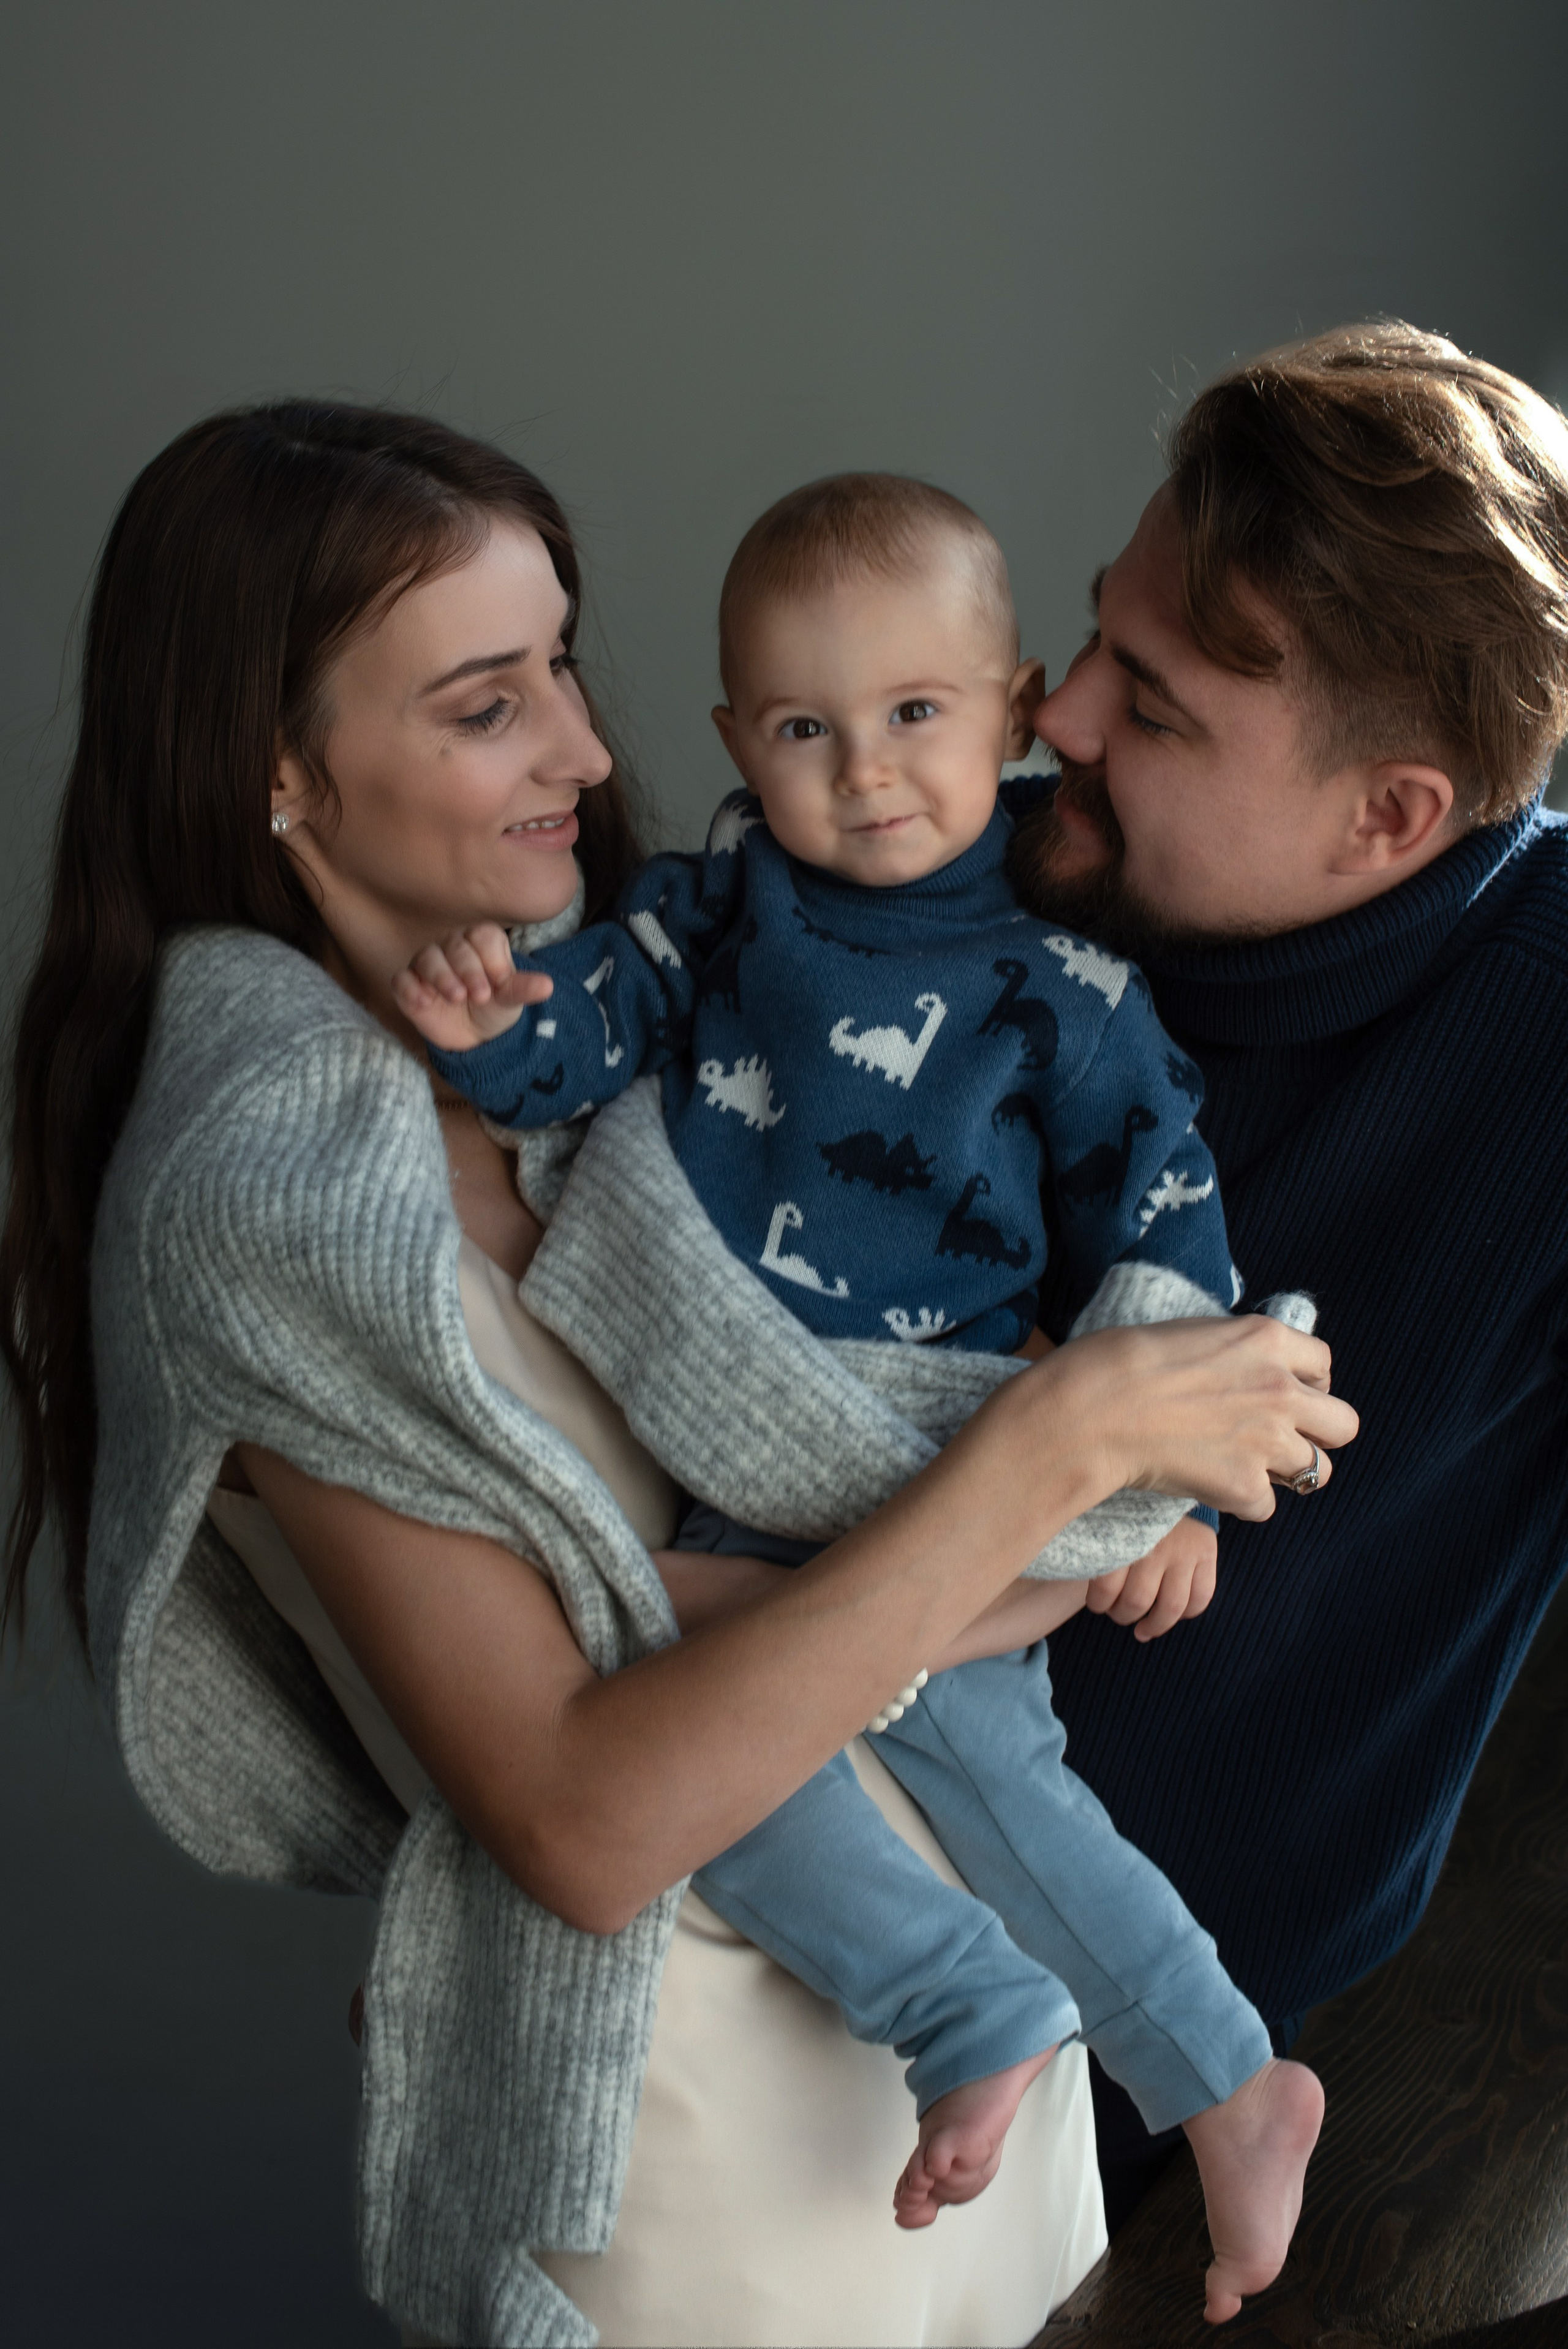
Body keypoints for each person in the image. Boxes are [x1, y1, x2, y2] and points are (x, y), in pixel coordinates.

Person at [0, 401, 1354, 2348]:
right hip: (715, 2153)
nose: (583, 741)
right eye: (488, 701)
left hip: (986, 2047)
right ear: (279, 769)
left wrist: (1073, 1458)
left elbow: (774, 1502)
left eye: (562, 659)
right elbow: (578, 1782)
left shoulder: (650, 1009)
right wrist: (1055, 1464)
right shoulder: (269, 1185)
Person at [391, 469, 1325, 2310]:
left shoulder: (1064, 984)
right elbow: (598, 1018)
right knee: (699, 1729)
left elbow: (1166, 1231)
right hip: (745, 1441)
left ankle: (1226, 2078)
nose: (866, 773)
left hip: (940, 1434)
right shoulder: (729, 904)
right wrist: (496, 1021)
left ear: (1009, 702)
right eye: (806, 728)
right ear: (741, 735)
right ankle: (965, 1998)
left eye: (915, 717)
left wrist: (1156, 1496)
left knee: (998, 1766)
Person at [1006, 319, 1568, 2230]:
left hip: (1159, 2083)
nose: (1056, 714)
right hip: (754, 1898)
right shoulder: (978, 905)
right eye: (1097, 635)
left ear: (1391, 815)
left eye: (1152, 706)